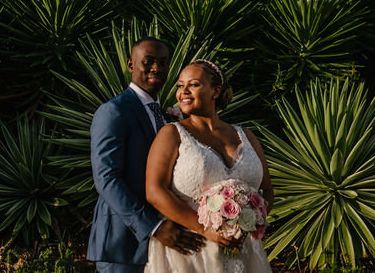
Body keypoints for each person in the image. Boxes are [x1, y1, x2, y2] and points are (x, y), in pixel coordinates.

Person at [89, 38, 205, 272]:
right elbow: (106, 179)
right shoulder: (114, 112)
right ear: (131, 65)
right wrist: (154, 227)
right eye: (148, 62)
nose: (156, 68)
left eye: (163, 63)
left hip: (168, 243)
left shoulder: (166, 115)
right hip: (124, 243)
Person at [145, 59, 273, 272]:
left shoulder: (246, 135)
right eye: (180, 85)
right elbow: (154, 191)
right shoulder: (171, 134)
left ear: (216, 90)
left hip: (244, 249)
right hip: (191, 251)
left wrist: (251, 220)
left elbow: (267, 189)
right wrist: (204, 229)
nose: (183, 91)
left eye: (193, 84)